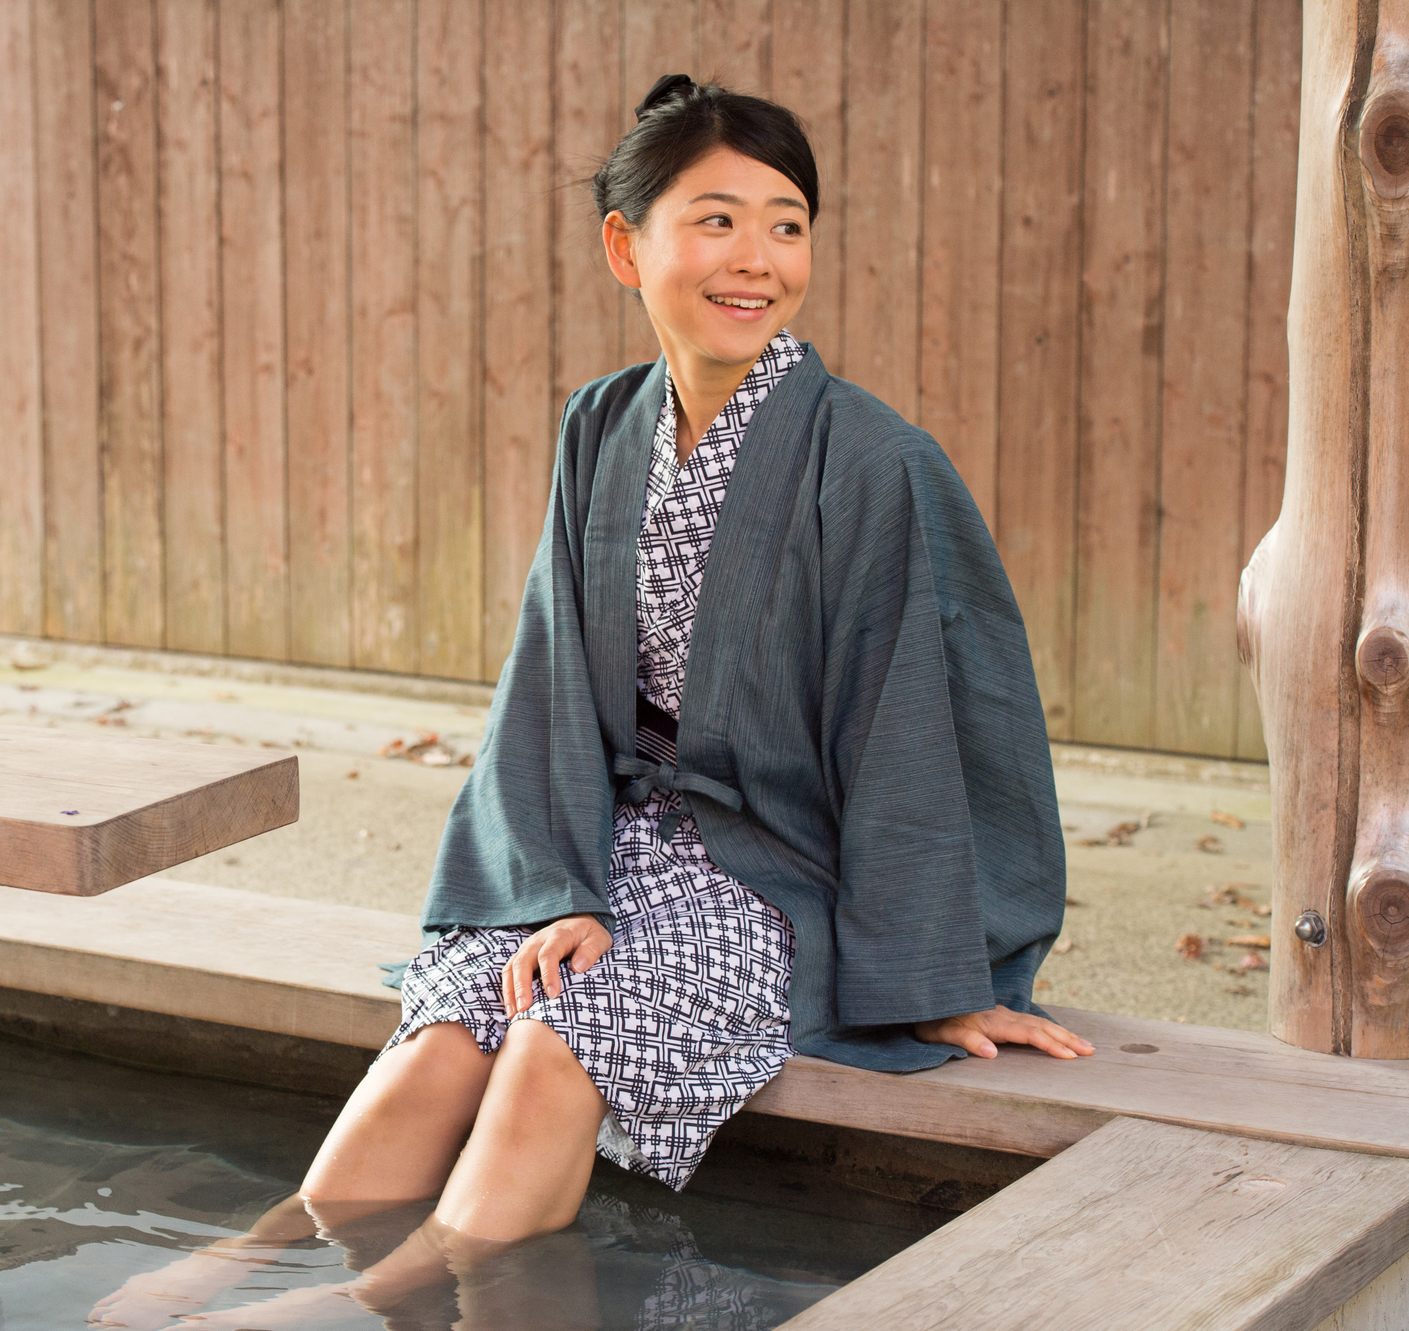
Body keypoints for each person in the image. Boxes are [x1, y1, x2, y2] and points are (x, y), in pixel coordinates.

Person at [90, 73, 1091, 1331]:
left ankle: (370, 1305)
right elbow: (551, 675)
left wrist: (936, 965)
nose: (757, 259)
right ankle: (248, 1257)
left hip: (785, 870)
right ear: (627, 245)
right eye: (715, 219)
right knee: (459, 1020)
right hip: (610, 838)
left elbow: (923, 721)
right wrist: (557, 886)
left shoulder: (873, 457)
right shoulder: (601, 424)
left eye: (786, 224)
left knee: (563, 1046)